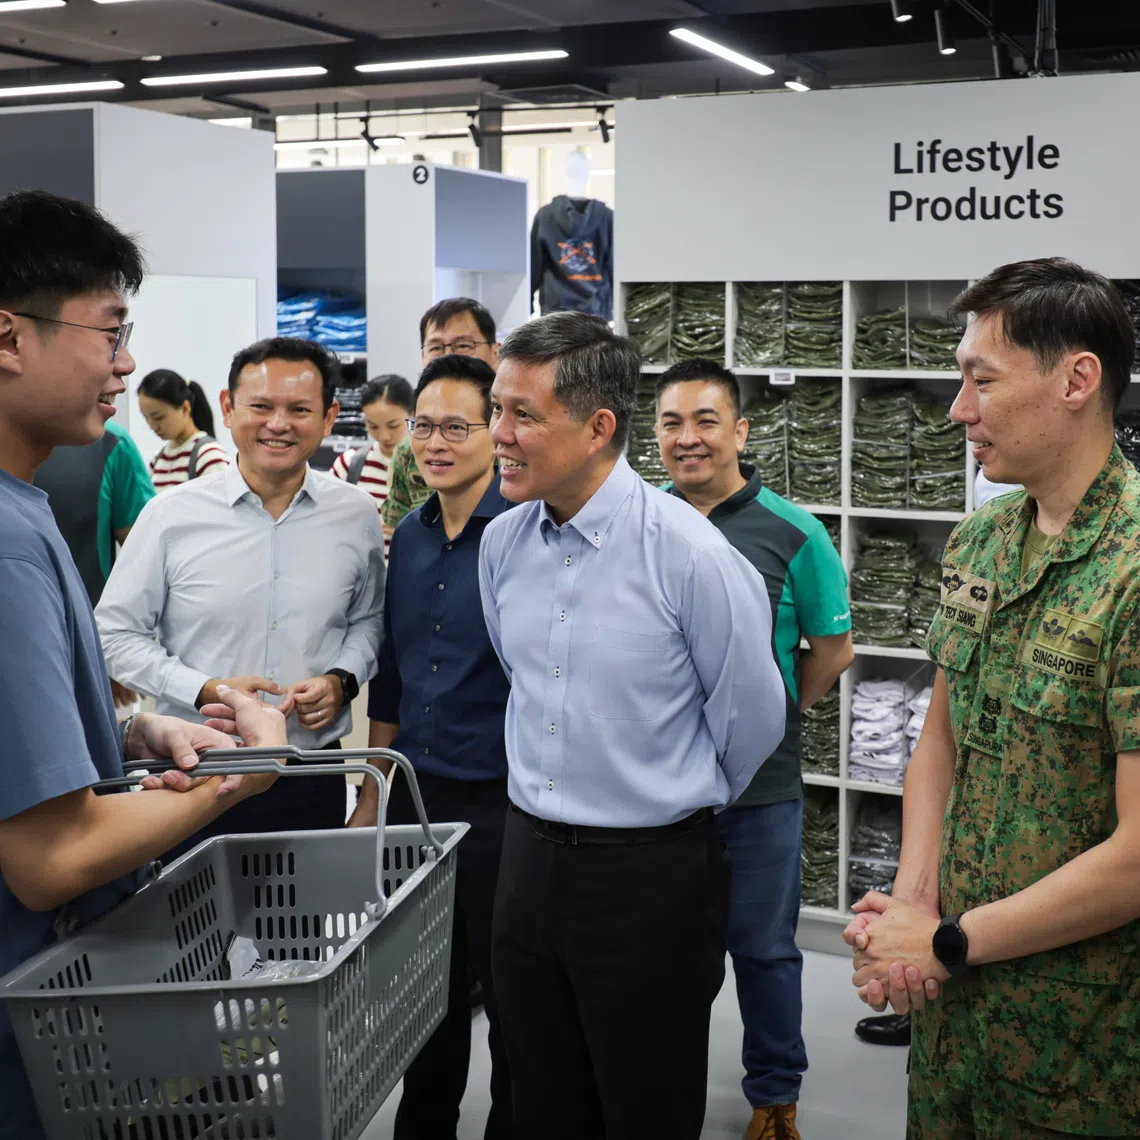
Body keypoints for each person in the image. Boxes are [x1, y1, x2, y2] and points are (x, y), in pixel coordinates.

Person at [0, 187, 286, 1140]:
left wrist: (130, 731)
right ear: (9, 338)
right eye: (110, 332)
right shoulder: (7, 542)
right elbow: (51, 858)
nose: (126, 364)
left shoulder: (25, 506)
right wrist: (240, 779)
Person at [844, 258, 1140, 1138]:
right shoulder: (981, 542)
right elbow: (939, 743)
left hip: (1079, 1046)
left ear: (1076, 381)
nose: (957, 409)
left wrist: (944, 941)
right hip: (953, 1023)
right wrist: (913, 903)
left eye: (983, 380)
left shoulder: (1132, 572)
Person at [478, 311, 787, 1140]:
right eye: (496, 409)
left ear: (598, 428)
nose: (497, 434)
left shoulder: (693, 556)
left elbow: (752, 720)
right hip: (528, 864)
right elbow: (523, 681)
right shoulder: (503, 543)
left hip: (650, 880)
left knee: (645, 1108)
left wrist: (664, 795)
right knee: (539, 1101)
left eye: (522, 414)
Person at [654, 358, 854, 1140]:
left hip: (760, 788)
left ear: (740, 432)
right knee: (666, 951)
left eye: (705, 421)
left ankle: (774, 1096)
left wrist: (770, 715)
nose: (688, 438)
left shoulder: (795, 532)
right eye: (671, 422)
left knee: (765, 948)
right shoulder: (641, 520)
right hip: (658, 785)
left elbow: (832, 651)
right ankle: (663, 1090)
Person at [96, 336, 385, 857]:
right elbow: (114, 635)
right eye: (261, 406)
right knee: (193, 910)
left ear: (328, 417)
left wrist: (341, 679)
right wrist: (205, 690)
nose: (279, 424)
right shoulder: (170, 516)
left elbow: (368, 620)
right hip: (195, 773)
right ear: (228, 408)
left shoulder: (356, 514)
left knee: (309, 911)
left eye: (299, 410)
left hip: (311, 771)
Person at [349, 354, 513, 1139]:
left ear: (495, 430)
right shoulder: (409, 538)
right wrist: (371, 792)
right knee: (422, 995)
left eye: (456, 427)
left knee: (511, 998)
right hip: (418, 799)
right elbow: (391, 673)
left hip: (507, 803)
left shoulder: (524, 531)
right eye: (423, 427)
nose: (435, 443)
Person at [382, 298, 500, 534]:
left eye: (463, 345)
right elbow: (397, 532)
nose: (448, 356)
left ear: (495, 351)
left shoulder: (519, 444)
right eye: (436, 348)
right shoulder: (408, 453)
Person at [329, 373, 412, 559]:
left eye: (393, 426)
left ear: (413, 415)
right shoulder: (348, 466)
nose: (384, 436)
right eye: (373, 426)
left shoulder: (431, 468)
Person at [137, 367, 230, 489]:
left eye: (158, 417)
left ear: (185, 408)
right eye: (146, 418)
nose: (152, 426)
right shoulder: (158, 460)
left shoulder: (209, 456)